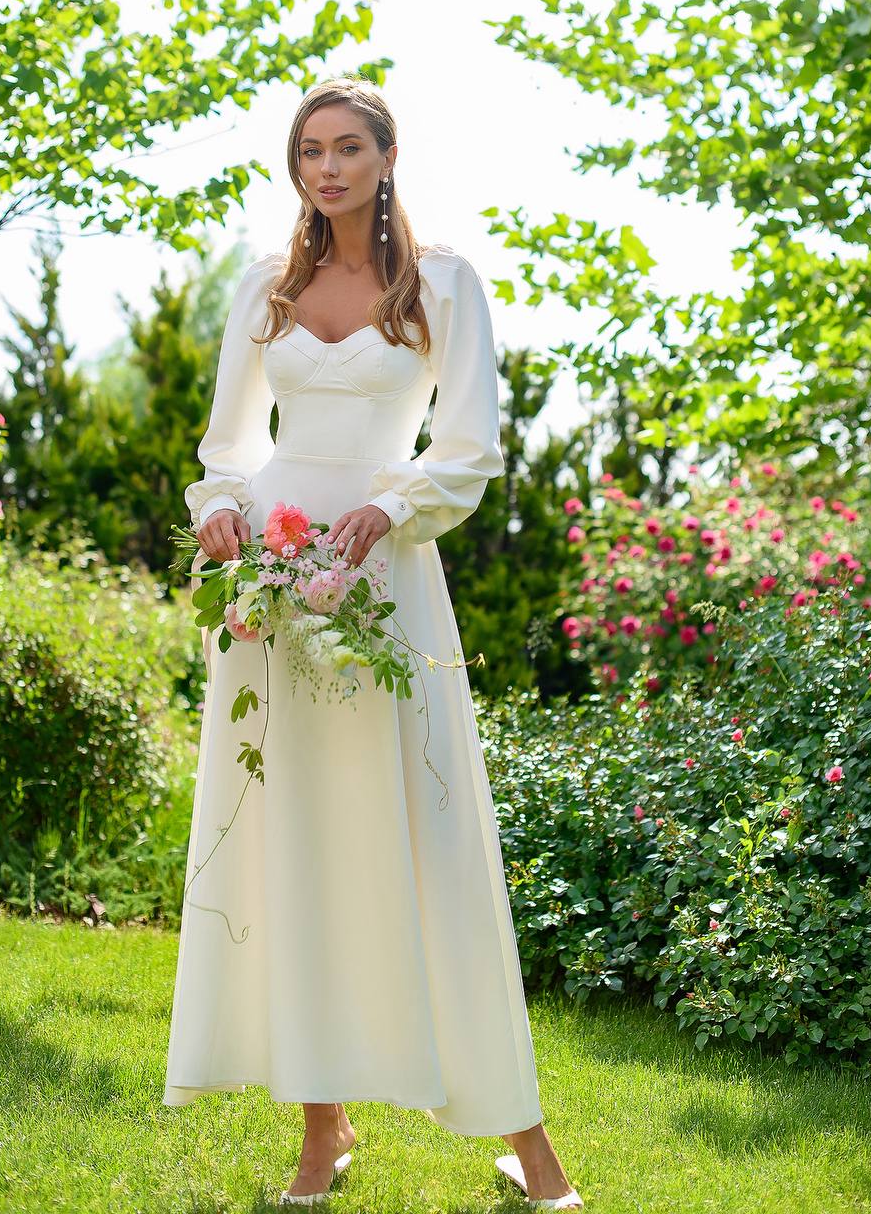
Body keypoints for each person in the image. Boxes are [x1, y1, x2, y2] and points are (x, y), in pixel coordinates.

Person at [162, 76, 583, 1210]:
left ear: (387, 156)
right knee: (296, 841)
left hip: (385, 576)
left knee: (431, 840)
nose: (328, 168)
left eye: (348, 148)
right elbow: (228, 446)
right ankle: (321, 1130)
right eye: (310, 151)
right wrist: (222, 509)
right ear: (295, 166)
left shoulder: (443, 282)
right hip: (275, 580)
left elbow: (469, 443)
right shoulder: (267, 288)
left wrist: (387, 513)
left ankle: (529, 1144)